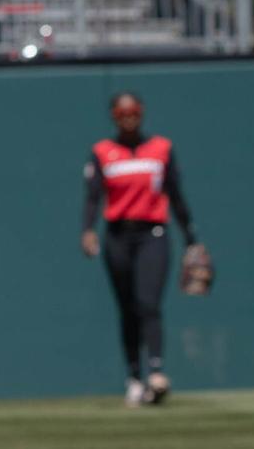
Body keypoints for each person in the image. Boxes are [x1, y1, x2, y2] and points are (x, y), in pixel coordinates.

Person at [80, 92, 199, 407]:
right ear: (114, 116)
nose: (128, 116)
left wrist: (191, 238)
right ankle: (134, 378)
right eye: (122, 111)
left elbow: (176, 194)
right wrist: (88, 230)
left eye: (133, 110)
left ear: (142, 113)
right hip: (118, 236)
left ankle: (156, 372)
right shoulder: (103, 152)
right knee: (128, 309)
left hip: (153, 234)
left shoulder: (161, 149)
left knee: (149, 303)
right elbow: (93, 196)